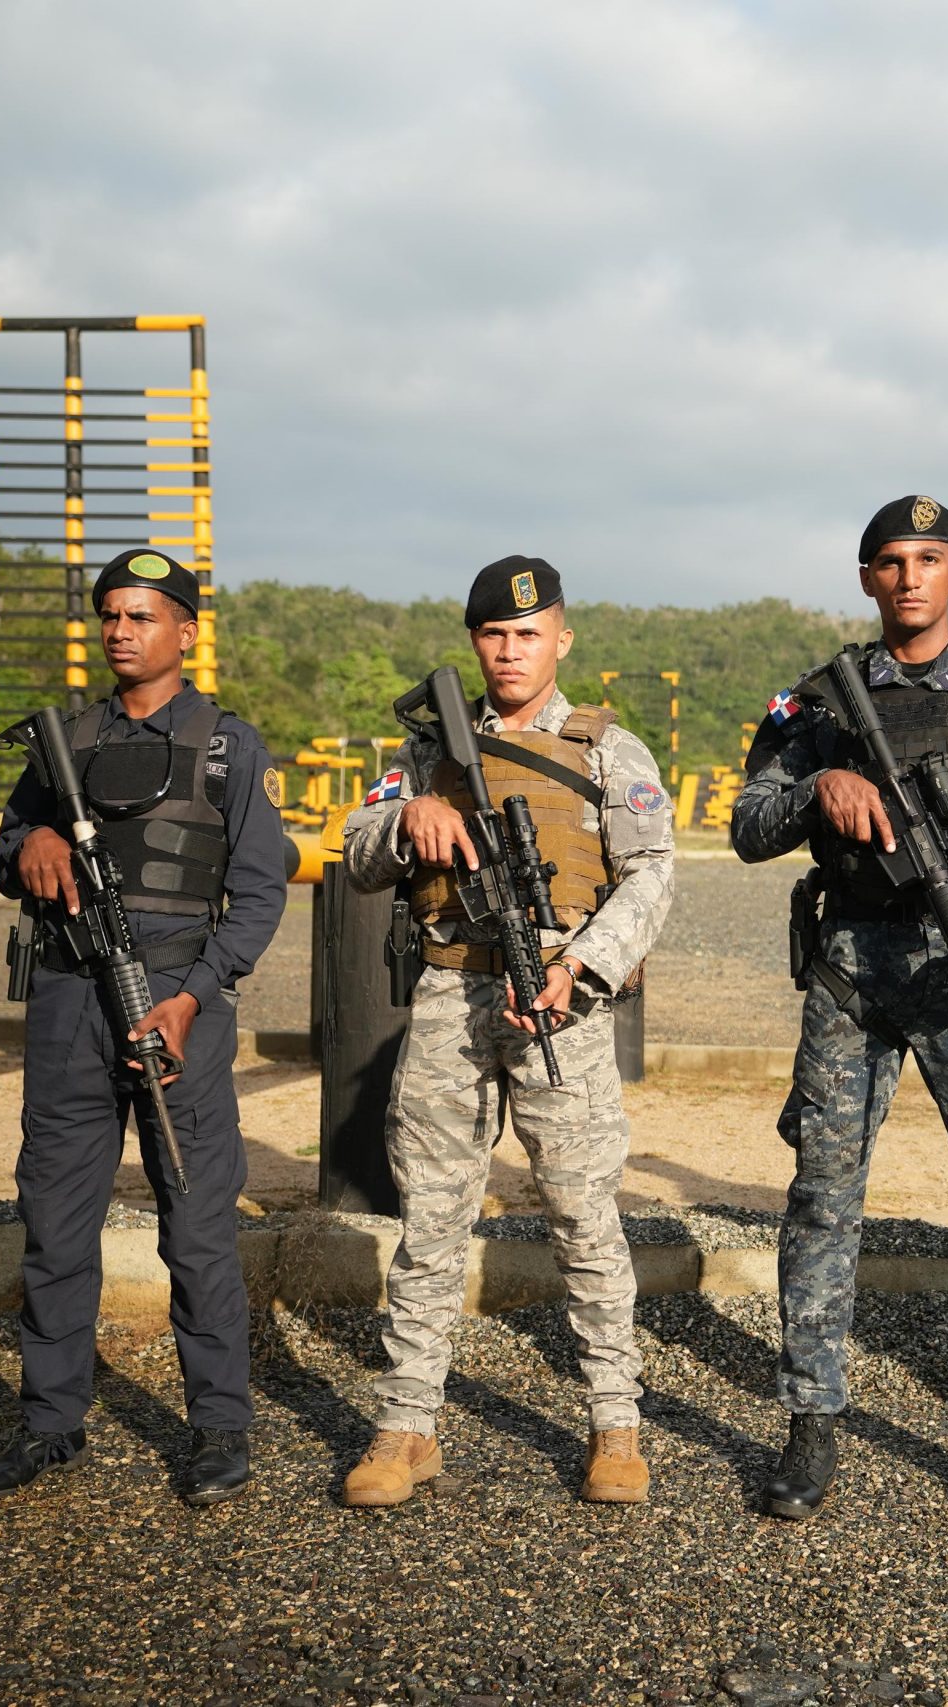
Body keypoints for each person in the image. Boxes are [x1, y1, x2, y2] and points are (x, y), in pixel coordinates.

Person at [731, 495, 948, 1531]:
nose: (908, 579)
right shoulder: (814, 706)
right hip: (852, 968)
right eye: (889, 562)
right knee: (822, 1202)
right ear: (866, 580)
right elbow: (750, 821)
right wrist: (822, 788)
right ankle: (810, 1424)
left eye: (928, 560)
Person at [335, 556, 676, 1509]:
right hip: (450, 997)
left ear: (561, 639)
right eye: (494, 634)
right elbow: (357, 854)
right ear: (474, 642)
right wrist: (413, 815)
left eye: (530, 634)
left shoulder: (610, 749)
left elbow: (649, 877)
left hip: (561, 999)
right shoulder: (422, 754)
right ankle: (406, 1428)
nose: (511, 650)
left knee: (583, 1216)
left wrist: (579, 966)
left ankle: (616, 1423)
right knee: (432, 1220)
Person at [0, 548, 287, 1506]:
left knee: (196, 1222)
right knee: (55, 1220)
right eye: (110, 615)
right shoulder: (63, 743)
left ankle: (219, 1427)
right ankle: (48, 1425)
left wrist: (192, 996)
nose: (121, 631)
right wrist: (35, 840)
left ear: (185, 630)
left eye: (142, 616)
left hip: (179, 1003)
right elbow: (4, 846)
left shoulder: (228, 746)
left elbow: (260, 895)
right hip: (69, 1002)